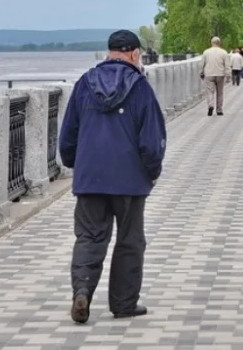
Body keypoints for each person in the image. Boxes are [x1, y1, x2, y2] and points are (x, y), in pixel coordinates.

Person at [59, 29, 167, 324]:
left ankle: (82, 291)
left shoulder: (84, 84)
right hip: (130, 179)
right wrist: (152, 171)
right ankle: (123, 304)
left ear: (109, 52)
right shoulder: (140, 87)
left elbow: (68, 134)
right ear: (134, 54)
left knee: (89, 237)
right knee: (130, 241)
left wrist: (76, 165)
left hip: (90, 177)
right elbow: (152, 138)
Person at [200, 37, 231, 116]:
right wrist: (228, 75)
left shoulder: (206, 52)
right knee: (220, 93)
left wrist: (201, 72)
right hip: (220, 74)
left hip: (209, 74)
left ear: (211, 43)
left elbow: (202, 64)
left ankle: (210, 105)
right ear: (219, 43)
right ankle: (219, 110)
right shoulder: (224, 52)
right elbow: (227, 65)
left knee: (210, 91)